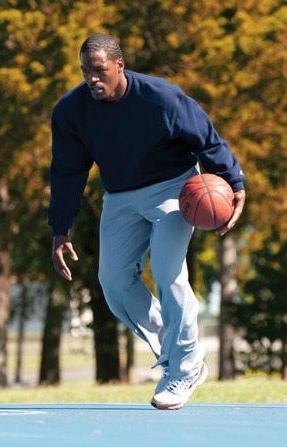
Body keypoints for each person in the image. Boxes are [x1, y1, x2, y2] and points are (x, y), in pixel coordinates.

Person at [48, 33, 245, 410]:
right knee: (114, 281)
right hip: (120, 197)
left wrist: (235, 182)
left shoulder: (161, 98)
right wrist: (60, 227)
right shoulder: (72, 111)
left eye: (100, 70)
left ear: (120, 66)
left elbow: (207, 139)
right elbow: (66, 171)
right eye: (86, 71)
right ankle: (180, 356)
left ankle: (184, 369)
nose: (92, 79)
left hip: (174, 189)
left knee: (170, 272)